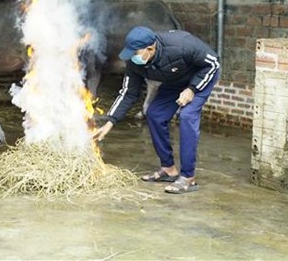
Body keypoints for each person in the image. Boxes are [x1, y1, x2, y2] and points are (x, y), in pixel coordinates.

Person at [92, 26, 220, 194]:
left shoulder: (182, 44)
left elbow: (213, 64)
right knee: (155, 114)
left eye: (135, 53)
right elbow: (128, 93)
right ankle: (168, 169)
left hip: (199, 79)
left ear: (150, 49)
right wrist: (110, 122)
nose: (131, 57)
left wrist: (192, 89)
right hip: (173, 82)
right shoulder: (134, 62)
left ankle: (188, 177)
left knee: (187, 116)